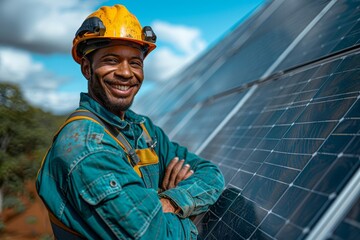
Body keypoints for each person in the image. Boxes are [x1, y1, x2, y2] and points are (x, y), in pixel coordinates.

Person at [36, 4, 224, 240]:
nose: (126, 72)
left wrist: (172, 201)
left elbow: (211, 173)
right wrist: (188, 211)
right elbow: (158, 236)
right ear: (87, 68)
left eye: (135, 63)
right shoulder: (87, 149)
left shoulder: (143, 130)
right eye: (112, 60)